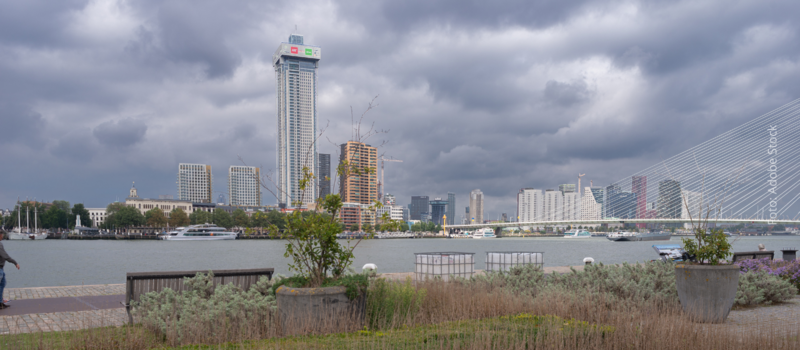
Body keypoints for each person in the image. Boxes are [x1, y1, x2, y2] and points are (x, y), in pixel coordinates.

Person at [0, 230, 21, 309]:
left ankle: (0, 302)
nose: (2, 236)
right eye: (2, 234)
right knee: (1, 284)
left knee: (2, 283)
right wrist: (15, 262)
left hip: (1, 268)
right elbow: (5, 256)